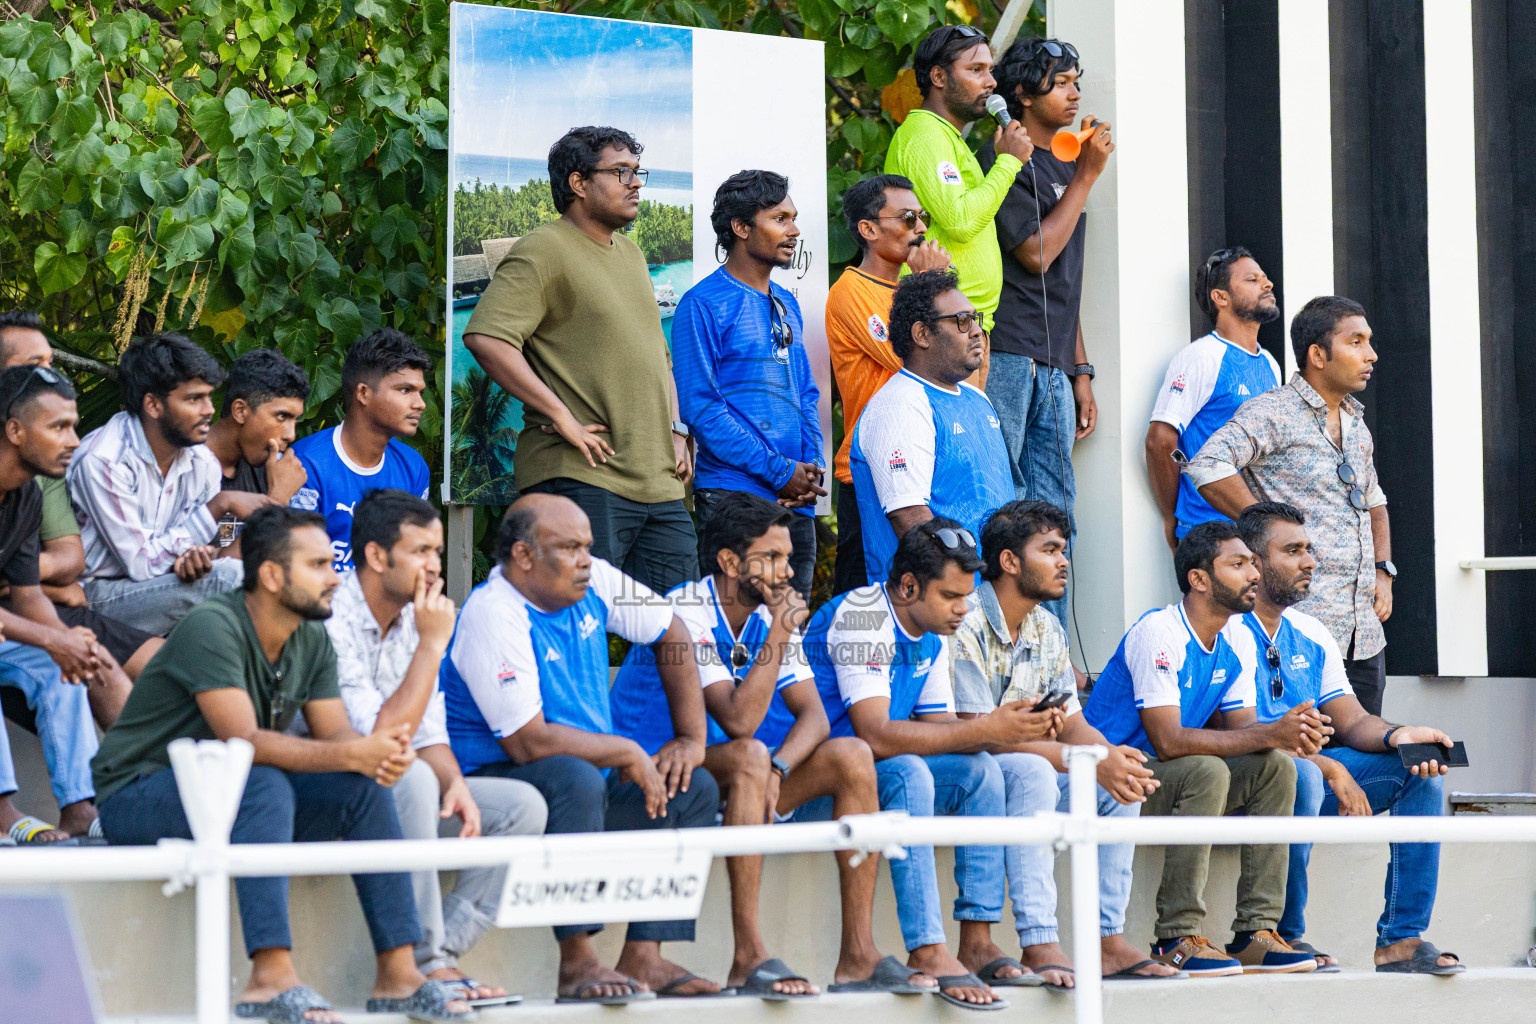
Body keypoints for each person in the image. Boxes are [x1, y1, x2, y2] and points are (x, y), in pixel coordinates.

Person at [91, 505, 475, 1023]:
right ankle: (269, 978)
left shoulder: (309, 633)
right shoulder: (213, 626)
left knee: (362, 789)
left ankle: (400, 974)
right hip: (137, 795)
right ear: (271, 575)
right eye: (317, 565)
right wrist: (350, 752)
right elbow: (243, 741)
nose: (334, 579)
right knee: (262, 781)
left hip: (231, 796)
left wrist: (370, 757)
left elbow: (335, 731)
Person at [611, 491, 931, 997]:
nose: (786, 572)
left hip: (727, 775)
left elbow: (816, 717)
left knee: (851, 755)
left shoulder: (763, 614)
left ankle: (857, 955)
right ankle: (747, 956)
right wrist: (781, 631)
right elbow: (738, 720)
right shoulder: (687, 609)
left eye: (787, 557)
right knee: (749, 754)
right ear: (729, 561)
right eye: (772, 558)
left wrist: (780, 768)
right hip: (647, 774)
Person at [439, 494, 721, 1001]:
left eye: (588, 546)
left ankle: (644, 955)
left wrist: (691, 740)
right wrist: (629, 752)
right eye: (569, 547)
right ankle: (577, 963)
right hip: (500, 779)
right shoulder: (493, 612)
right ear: (523, 555)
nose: (586, 559)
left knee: (693, 785)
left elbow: (671, 629)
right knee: (574, 777)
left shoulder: (597, 580)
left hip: (582, 771)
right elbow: (528, 742)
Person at [805, 518, 1060, 1008]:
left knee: (980, 770)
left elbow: (942, 727)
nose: (963, 610)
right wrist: (984, 729)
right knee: (909, 770)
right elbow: (875, 734)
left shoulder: (932, 629)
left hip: (867, 777)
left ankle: (977, 940)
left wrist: (1008, 731)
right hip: (817, 786)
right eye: (951, 597)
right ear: (907, 586)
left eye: (967, 596)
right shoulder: (861, 614)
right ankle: (927, 947)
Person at [327, 490, 549, 1005]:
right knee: (413, 777)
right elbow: (376, 740)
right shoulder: (333, 614)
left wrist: (457, 786)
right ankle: (422, 966)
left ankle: (440, 954)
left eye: (438, 552)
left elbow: (428, 733)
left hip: (398, 785)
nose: (435, 566)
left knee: (518, 808)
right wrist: (432, 645)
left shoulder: (413, 616)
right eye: (421, 552)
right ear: (377, 556)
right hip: (332, 786)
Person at [1227, 502, 1463, 975]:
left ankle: (1400, 940)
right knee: (1302, 776)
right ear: (1254, 561)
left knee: (1420, 773)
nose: (1309, 561)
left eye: (1308, 549)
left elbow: (1352, 721)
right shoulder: (1227, 627)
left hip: (1304, 776)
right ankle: (1280, 935)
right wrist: (1328, 766)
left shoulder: (1310, 632)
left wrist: (1400, 735)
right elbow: (1239, 734)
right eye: (1292, 550)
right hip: (1246, 780)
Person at [950, 500, 1176, 984]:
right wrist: (1086, 757)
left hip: (1027, 761)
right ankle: (1040, 941)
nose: (1063, 560)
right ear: (1009, 561)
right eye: (1049, 549)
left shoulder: (1045, 626)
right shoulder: (962, 618)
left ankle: (1107, 940)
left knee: (1123, 776)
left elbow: (1072, 722)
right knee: (1039, 770)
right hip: (971, 768)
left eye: (1063, 549)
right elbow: (975, 732)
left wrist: (1109, 757)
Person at [1082, 521, 1322, 976]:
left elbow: (1246, 732)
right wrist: (1270, 733)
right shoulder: (1160, 632)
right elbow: (1168, 740)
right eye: (1238, 564)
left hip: (1161, 782)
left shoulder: (1236, 636)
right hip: (1111, 781)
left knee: (1275, 769)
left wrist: (1291, 733)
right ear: (1199, 579)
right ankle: (1176, 936)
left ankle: (1255, 932)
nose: (1253, 573)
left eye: (1253, 562)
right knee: (1206, 771)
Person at [462, 126, 695, 593]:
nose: (636, 183)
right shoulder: (542, 249)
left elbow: (659, 357)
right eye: (620, 171)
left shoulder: (631, 253)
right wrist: (560, 415)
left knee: (681, 636)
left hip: (661, 483)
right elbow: (487, 336)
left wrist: (675, 429)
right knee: (573, 628)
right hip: (580, 479)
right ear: (578, 183)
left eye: (637, 171)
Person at [1186, 296, 1394, 715]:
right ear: (1318, 354)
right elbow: (1207, 464)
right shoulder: (1274, 410)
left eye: (1368, 342)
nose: (1370, 354)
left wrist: (1382, 570)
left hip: (1364, 634)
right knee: (1307, 761)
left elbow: (1374, 502)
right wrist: (1263, 528)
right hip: (1299, 628)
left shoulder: (1356, 422)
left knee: (1364, 757)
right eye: (1356, 342)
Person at [980, 38, 1110, 627]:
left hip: (1055, 364)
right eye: (1061, 82)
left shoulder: (1064, 162)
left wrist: (1080, 370)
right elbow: (1034, 254)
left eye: (1077, 80)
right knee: (1002, 506)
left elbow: (1065, 286)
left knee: (1056, 510)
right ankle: (991, 636)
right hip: (1007, 353)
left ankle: (1047, 647)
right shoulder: (1004, 158)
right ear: (1023, 94)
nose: (1075, 92)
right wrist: (1085, 179)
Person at [672, 170, 824, 597]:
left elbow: (806, 395)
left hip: (797, 501)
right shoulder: (701, 304)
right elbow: (701, 408)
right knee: (734, 639)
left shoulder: (787, 302)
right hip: (735, 500)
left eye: (793, 218)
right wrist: (780, 472)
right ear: (740, 228)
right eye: (780, 219)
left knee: (786, 639)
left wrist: (809, 471)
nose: (794, 230)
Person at [0, 322, 160, 693]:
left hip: (39, 608)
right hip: (36, 612)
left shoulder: (30, 485)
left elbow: (69, 559)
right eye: (35, 366)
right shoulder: (66, 456)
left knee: (99, 665)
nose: (50, 375)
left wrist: (63, 634)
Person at [67, 333, 244, 636]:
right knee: (230, 578)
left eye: (209, 396)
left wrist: (196, 556)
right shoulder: (105, 459)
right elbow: (141, 564)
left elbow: (205, 545)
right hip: (93, 598)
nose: (209, 409)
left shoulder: (203, 464)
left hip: (161, 590)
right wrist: (218, 507)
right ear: (153, 405)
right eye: (194, 399)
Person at [884, 24, 1035, 369]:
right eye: (975, 70)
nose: (991, 82)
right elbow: (961, 221)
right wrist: (1009, 162)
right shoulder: (925, 135)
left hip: (964, 324)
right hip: (943, 327)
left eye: (990, 70)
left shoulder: (949, 138)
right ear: (938, 76)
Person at [827, 174, 950, 594]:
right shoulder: (850, 291)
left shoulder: (909, 288)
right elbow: (919, 360)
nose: (921, 228)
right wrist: (929, 286)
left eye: (924, 217)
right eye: (908, 217)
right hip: (868, 472)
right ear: (868, 229)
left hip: (926, 464)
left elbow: (965, 361)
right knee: (864, 607)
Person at [850, 269, 1011, 584]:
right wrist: (961, 597)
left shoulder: (977, 399)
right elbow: (911, 520)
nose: (977, 331)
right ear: (922, 334)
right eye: (962, 321)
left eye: (976, 319)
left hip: (990, 603)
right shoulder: (900, 405)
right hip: (932, 613)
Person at [0, 367, 102, 845]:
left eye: (74, 425)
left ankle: (79, 807)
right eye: (59, 427)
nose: (75, 440)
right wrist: (53, 637)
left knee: (57, 663)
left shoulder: (23, 497)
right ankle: (3, 816)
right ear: (15, 430)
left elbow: (26, 596)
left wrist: (65, 643)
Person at [1146, 248, 1282, 549]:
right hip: (1209, 534)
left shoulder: (1270, 363)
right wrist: (1172, 515)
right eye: (1252, 279)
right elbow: (1159, 442)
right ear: (1221, 297)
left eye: (1265, 277)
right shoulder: (1201, 357)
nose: (1267, 284)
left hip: (1256, 533)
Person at [289, 328, 431, 574]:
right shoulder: (307, 464)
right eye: (405, 390)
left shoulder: (414, 468)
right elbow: (298, 568)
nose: (420, 404)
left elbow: (414, 559)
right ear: (364, 393)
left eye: (420, 392)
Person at [205, 348, 311, 506]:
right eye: (281, 416)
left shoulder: (269, 470)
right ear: (240, 411)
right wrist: (277, 499)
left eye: (295, 420)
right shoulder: (183, 467)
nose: (291, 436)